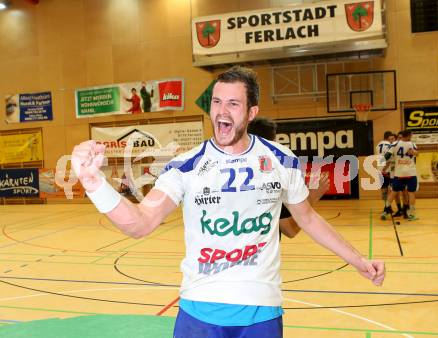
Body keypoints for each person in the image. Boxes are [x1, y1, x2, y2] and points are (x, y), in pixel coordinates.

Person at [72, 66, 385, 338]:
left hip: (261, 311)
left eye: (233, 104)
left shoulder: (281, 161)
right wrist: (94, 182)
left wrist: (359, 261)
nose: (222, 112)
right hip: (200, 311)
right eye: (217, 102)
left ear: (251, 113)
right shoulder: (186, 166)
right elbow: (140, 224)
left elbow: (308, 220)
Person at [247, 117, 329, 239]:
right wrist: (314, 195)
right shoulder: (270, 179)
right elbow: (290, 229)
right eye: (275, 140)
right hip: (259, 255)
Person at [382, 129, 418, 221]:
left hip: (399, 173)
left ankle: (386, 210)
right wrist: (414, 153)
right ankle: (411, 214)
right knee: (411, 193)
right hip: (411, 173)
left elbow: (386, 156)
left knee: (393, 192)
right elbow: (417, 155)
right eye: (411, 135)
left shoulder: (394, 144)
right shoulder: (412, 144)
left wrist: (383, 165)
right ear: (409, 135)